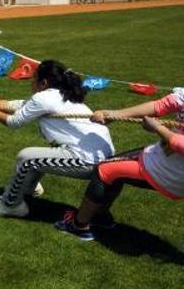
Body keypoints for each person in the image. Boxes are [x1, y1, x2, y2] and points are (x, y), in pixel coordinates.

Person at [0, 60, 115, 218]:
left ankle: (10, 205)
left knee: (26, 158)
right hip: (104, 157)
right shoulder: (62, 94)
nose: (31, 81)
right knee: (36, 156)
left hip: (88, 161)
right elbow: (15, 105)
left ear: (43, 82)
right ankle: (29, 187)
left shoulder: (43, 98)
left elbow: (13, 122)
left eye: (34, 78)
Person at [55, 89, 184, 241]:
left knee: (104, 171)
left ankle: (78, 225)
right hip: (163, 158)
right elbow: (160, 105)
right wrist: (114, 114)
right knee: (115, 167)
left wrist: (158, 129)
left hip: (170, 172)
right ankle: (100, 216)